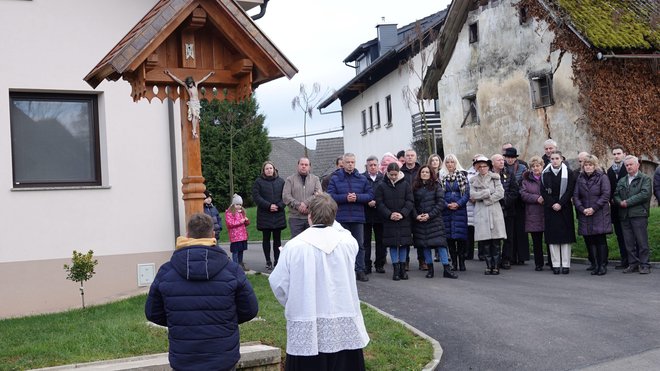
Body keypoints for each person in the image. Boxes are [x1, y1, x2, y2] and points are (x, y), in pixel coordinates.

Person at [268, 193, 370, 371]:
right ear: (334, 216)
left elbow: (278, 284)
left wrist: (293, 302)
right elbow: (337, 229)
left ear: (309, 215)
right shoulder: (348, 242)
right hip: (342, 317)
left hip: (307, 316)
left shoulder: (294, 246)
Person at [145, 213, 258, 371]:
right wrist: (225, 320)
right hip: (222, 357)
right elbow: (250, 310)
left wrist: (179, 319)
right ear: (213, 235)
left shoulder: (166, 271)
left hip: (184, 357)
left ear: (187, 235)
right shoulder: (232, 270)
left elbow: (153, 313)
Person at [327, 153, 374, 282]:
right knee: (341, 247)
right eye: (348, 162)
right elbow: (330, 196)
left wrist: (357, 197)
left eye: (352, 162)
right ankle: (342, 271)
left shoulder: (361, 178)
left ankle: (360, 270)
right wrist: (345, 198)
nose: (350, 164)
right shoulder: (335, 178)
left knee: (359, 245)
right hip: (341, 218)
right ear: (343, 163)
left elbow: (370, 194)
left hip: (357, 218)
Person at [412, 165, 454, 279]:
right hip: (420, 221)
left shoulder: (436, 186)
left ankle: (447, 269)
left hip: (434, 220)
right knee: (425, 246)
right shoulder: (415, 187)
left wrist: (429, 215)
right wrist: (417, 216)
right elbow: (412, 204)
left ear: (431, 174)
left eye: (427, 172)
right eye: (422, 172)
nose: (424, 174)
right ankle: (430, 270)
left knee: (441, 245)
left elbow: (440, 203)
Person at [573, 155, 612, 276]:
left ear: (595, 166)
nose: (588, 167)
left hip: (599, 213)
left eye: (590, 165)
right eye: (586, 165)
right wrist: (582, 209)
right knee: (590, 240)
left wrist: (593, 208)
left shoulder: (602, 177)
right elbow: (576, 196)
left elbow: (605, 195)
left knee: (600, 240)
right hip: (585, 213)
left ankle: (602, 265)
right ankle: (595, 264)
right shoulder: (580, 178)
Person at [376, 162, 414, 281]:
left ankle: (403, 269)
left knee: (403, 245)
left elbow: (410, 201)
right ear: (387, 173)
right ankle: (396, 270)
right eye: (391, 174)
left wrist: (402, 214)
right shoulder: (382, 186)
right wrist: (389, 214)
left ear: (399, 173)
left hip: (403, 220)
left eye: (395, 174)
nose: (393, 177)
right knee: (392, 245)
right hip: (389, 220)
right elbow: (380, 203)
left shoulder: (406, 185)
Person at [614, 155, 652, 274]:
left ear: (637, 165)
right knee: (629, 242)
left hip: (639, 214)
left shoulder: (645, 179)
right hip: (624, 215)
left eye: (631, 164)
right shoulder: (622, 180)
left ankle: (645, 264)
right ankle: (633, 264)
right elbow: (616, 194)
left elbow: (645, 194)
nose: (629, 167)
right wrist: (619, 201)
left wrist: (627, 202)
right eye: (627, 165)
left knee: (642, 241)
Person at [469, 155, 506, 275]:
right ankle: (488, 265)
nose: (483, 168)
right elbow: (473, 195)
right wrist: (487, 192)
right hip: (481, 212)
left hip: (494, 210)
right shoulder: (473, 180)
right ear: (477, 168)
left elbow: (500, 193)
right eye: (480, 166)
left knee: (495, 242)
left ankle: (496, 266)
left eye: (485, 166)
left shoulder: (495, 178)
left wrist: (488, 199)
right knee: (485, 242)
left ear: (488, 167)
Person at [541, 151, 577, 275]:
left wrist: (560, 203)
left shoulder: (569, 173)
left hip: (564, 208)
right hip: (550, 209)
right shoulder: (545, 173)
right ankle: (556, 264)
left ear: (562, 159)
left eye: (557, 158)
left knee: (565, 238)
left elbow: (570, 190)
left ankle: (566, 264)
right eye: (552, 158)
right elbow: (543, 191)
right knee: (553, 238)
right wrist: (552, 204)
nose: (555, 160)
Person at [492, 153, 525, 269]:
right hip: (493, 209)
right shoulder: (489, 175)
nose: (501, 162)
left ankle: (506, 259)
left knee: (508, 236)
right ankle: (494, 259)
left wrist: (505, 202)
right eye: (498, 160)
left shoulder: (509, 174)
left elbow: (514, 191)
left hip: (508, 210)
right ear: (493, 163)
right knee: (494, 236)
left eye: (502, 160)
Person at [252, 161, 286, 270]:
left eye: (271, 168)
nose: (269, 170)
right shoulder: (258, 182)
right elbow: (256, 197)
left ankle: (277, 260)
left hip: (278, 215)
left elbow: (285, 196)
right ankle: (268, 261)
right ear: (263, 170)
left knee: (278, 240)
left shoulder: (281, 182)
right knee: (266, 239)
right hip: (264, 215)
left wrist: (279, 206)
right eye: (267, 168)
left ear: (274, 169)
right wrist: (268, 206)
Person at [439, 154, 470, 272]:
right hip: (447, 212)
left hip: (460, 211)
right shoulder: (441, 178)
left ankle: (462, 262)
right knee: (450, 239)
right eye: (447, 162)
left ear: (455, 163)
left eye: (452, 162)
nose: (450, 164)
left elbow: (467, 194)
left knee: (461, 238)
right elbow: (439, 196)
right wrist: (447, 205)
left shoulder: (462, 176)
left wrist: (458, 204)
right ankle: (454, 263)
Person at [164, 70, 214, 139]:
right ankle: (194, 131)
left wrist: (209, 74)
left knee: (196, 117)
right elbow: (177, 80)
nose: (190, 85)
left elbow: (203, 79)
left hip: (197, 103)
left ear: (192, 82)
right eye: (189, 84)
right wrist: (169, 73)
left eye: (190, 83)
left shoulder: (196, 84)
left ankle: (194, 130)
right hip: (192, 102)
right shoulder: (186, 86)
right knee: (194, 115)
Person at [282, 157, 322, 238]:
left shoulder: (315, 179)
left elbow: (319, 194)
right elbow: (286, 196)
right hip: (295, 218)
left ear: (309, 167)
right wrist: (298, 205)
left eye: (306, 165)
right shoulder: (290, 179)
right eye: (302, 164)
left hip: (311, 217)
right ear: (298, 166)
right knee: (296, 243)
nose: (303, 166)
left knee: (311, 242)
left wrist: (306, 203)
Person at [401, 149, 425, 270]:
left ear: (416, 157)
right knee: (405, 235)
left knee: (420, 235)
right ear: (404, 158)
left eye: (412, 156)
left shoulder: (421, 170)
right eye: (408, 156)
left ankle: (422, 260)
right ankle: (405, 261)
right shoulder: (400, 172)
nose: (410, 158)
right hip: (405, 206)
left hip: (419, 205)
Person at [520, 156, 546, 271]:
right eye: (533, 166)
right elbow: (523, 194)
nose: (536, 168)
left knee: (550, 239)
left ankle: (551, 261)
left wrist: (544, 198)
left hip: (546, 212)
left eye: (538, 166)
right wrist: (536, 198)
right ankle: (538, 263)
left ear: (542, 166)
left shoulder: (547, 177)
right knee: (537, 241)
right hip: (533, 213)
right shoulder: (526, 180)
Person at [607, 145, 629, 269]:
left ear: (624, 154)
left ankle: (633, 260)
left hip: (627, 206)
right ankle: (624, 260)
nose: (616, 156)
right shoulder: (610, 170)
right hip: (615, 209)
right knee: (620, 235)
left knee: (630, 235)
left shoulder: (628, 168)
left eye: (618, 153)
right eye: (614, 154)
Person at [363, 155, 386, 274]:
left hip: (380, 213)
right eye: (370, 165)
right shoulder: (361, 178)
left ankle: (380, 264)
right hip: (366, 214)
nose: (372, 167)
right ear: (367, 166)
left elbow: (386, 194)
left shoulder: (383, 178)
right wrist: (367, 201)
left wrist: (377, 202)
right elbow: (359, 193)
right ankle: (367, 265)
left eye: (374, 165)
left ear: (378, 166)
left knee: (380, 241)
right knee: (366, 241)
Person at [225, 194, 250, 271]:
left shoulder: (241, 212)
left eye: (240, 204)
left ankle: (240, 263)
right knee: (235, 252)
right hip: (235, 237)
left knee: (241, 251)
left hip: (242, 235)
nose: (239, 206)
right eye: (237, 204)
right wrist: (240, 221)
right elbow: (230, 223)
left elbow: (245, 224)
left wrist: (246, 220)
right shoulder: (229, 213)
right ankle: (235, 265)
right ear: (233, 204)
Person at [427, 153, 444, 261]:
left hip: (442, 203)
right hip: (432, 205)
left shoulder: (443, 174)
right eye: (432, 160)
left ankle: (443, 253)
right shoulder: (427, 173)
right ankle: (436, 253)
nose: (434, 162)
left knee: (442, 231)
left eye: (436, 160)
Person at [466, 154, 482, 261]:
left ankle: (482, 253)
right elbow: (466, 187)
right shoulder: (467, 173)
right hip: (470, 205)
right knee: (470, 230)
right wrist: (471, 197)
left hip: (481, 204)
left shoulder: (486, 173)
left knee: (481, 230)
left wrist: (479, 197)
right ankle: (468, 253)